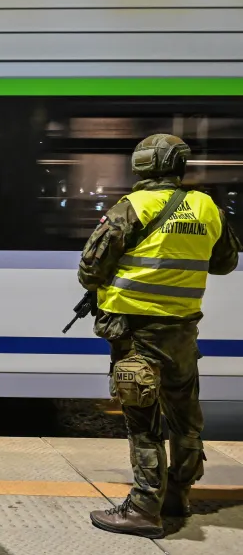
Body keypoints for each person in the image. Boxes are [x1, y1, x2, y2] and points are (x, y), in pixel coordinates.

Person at [79, 134, 240, 538]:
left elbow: (89, 270)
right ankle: (178, 497)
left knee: (143, 421)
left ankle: (143, 509)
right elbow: (225, 262)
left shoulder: (132, 207)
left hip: (136, 334)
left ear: (143, 165)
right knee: (185, 420)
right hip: (183, 331)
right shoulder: (206, 206)